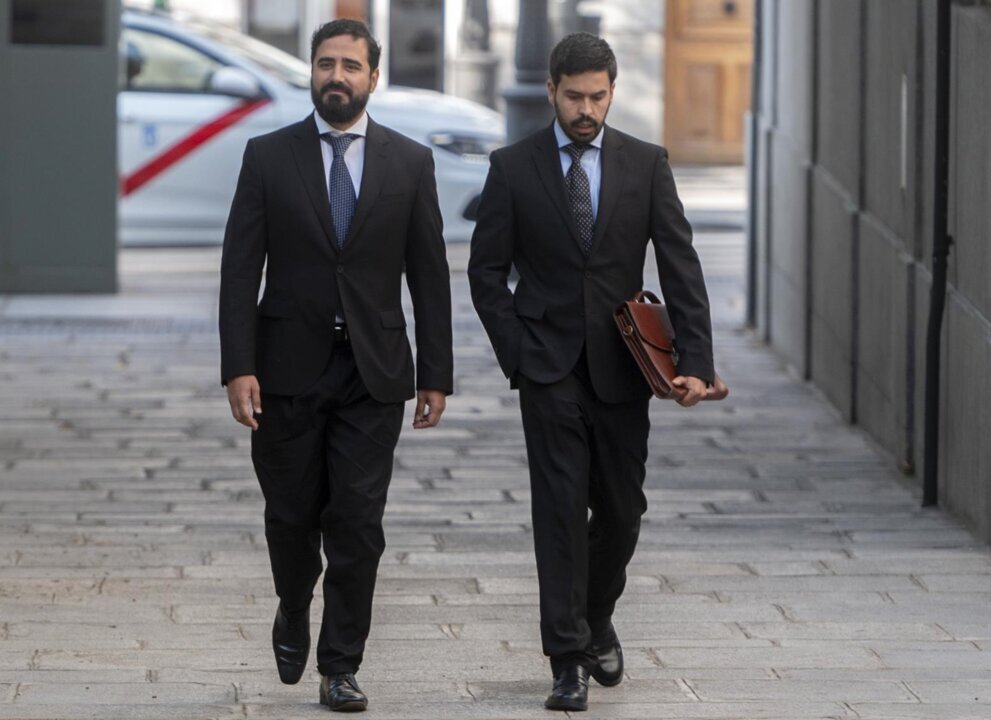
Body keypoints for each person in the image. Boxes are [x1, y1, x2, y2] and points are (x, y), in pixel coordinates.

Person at [468, 33, 714, 712]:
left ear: (611, 92)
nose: (585, 110)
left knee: (622, 509)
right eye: (573, 97)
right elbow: (486, 272)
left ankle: (596, 613)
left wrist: (695, 362)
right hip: (547, 367)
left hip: (622, 365)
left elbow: (680, 264)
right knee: (557, 509)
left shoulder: (645, 164)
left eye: (597, 97)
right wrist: (518, 352)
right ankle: (567, 659)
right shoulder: (512, 167)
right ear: (550, 91)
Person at [218, 19, 452, 713]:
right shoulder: (268, 156)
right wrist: (238, 366)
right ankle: (293, 604)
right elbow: (240, 270)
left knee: (357, 522)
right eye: (326, 63)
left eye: (351, 65)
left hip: (372, 373)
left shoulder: (410, 162)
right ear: (312, 72)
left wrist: (435, 374)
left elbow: (429, 275)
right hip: (285, 369)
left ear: (373, 77)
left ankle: (341, 665)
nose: (337, 76)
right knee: (291, 518)